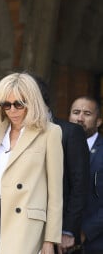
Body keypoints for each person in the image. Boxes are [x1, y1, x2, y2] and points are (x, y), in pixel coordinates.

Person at [0, 72, 63, 254]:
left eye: (19, 104)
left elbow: (55, 192)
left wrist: (50, 239)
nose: (12, 110)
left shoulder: (50, 132)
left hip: (24, 221)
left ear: (31, 102)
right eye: (6, 105)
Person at [34, 77, 89, 254]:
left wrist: (68, 229)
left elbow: (79, 185)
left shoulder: (70, 132)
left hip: (57, 229)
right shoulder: (14, 134)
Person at [69, 96, 103, 254]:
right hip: (59, 240)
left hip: (95, 242)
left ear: (99, 121)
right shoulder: (57, 146)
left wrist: (85, 232)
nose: (79, 118)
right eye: (76, 112)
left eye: (87, 113)